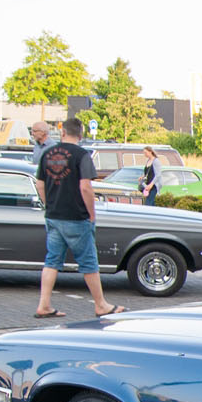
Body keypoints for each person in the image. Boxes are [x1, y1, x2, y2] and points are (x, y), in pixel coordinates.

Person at [32, 118, 125, 318]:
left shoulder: (46, 154)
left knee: (52, 261)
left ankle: (44, 304)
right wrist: (91, 213)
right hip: (76, 216)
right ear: (81, 135)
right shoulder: (82, 155)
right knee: (89, 262)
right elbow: (85, 187)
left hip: (54, 216)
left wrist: (49, 205)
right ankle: (101, 304)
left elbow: (40, 185)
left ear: (63, 133)